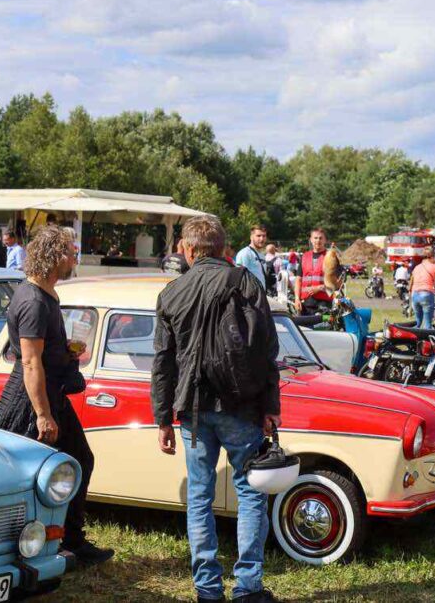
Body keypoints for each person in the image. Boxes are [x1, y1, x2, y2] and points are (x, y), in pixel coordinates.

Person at [151, 215, 280, 603]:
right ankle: (247, 586)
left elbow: (162, 362)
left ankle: (207, 589)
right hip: (241, 405)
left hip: (192, 408)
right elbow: (266, 349)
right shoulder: (245, 282)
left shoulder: (171, 292)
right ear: (224, 249)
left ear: (188, 251)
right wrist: (271, 405)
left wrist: (162, 419)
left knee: (200, 496)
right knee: (251, 492)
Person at [0, 226, 113, 566]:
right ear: (56, 256)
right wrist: (43, 414)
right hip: (30, 401)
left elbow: (41, 355)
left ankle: (69, 540)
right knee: (19, 474)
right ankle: (13, 545)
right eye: (72, 252)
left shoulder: (45, 295)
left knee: (77, 460)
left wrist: (65, 350)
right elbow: (29, 363)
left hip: (49, 394)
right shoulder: (33, 301)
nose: (75, 258)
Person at [294, 228, 332, 315]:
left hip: (324, 304)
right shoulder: (304, 257)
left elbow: (336, 282)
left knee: (324, 327)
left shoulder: (330, 257)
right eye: (315, 238)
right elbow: (298, 280)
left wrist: (319, 288)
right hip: (306, 304)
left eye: (320, 238)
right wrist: (297, 299)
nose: (318, 240)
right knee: (305, 328)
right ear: (311, 240)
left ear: (325, 240)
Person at [235, 225, 269, 292]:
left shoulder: (262, 255)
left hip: (261, 295)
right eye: (258, 236)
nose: (262, 239)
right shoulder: (245, 253)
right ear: (251, 237)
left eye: (264, 236)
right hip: (249, 297)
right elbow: (240, 278)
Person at [410, 255, 435, 329]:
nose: (434, 260)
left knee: (418, 322)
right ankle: (426, 338)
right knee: (427, 323)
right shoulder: (434, 267)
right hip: (426, 293)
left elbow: (411, 281)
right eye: (434, 258)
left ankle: (415, 337)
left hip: (415, 294)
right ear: (431, 257)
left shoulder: (416, 267)